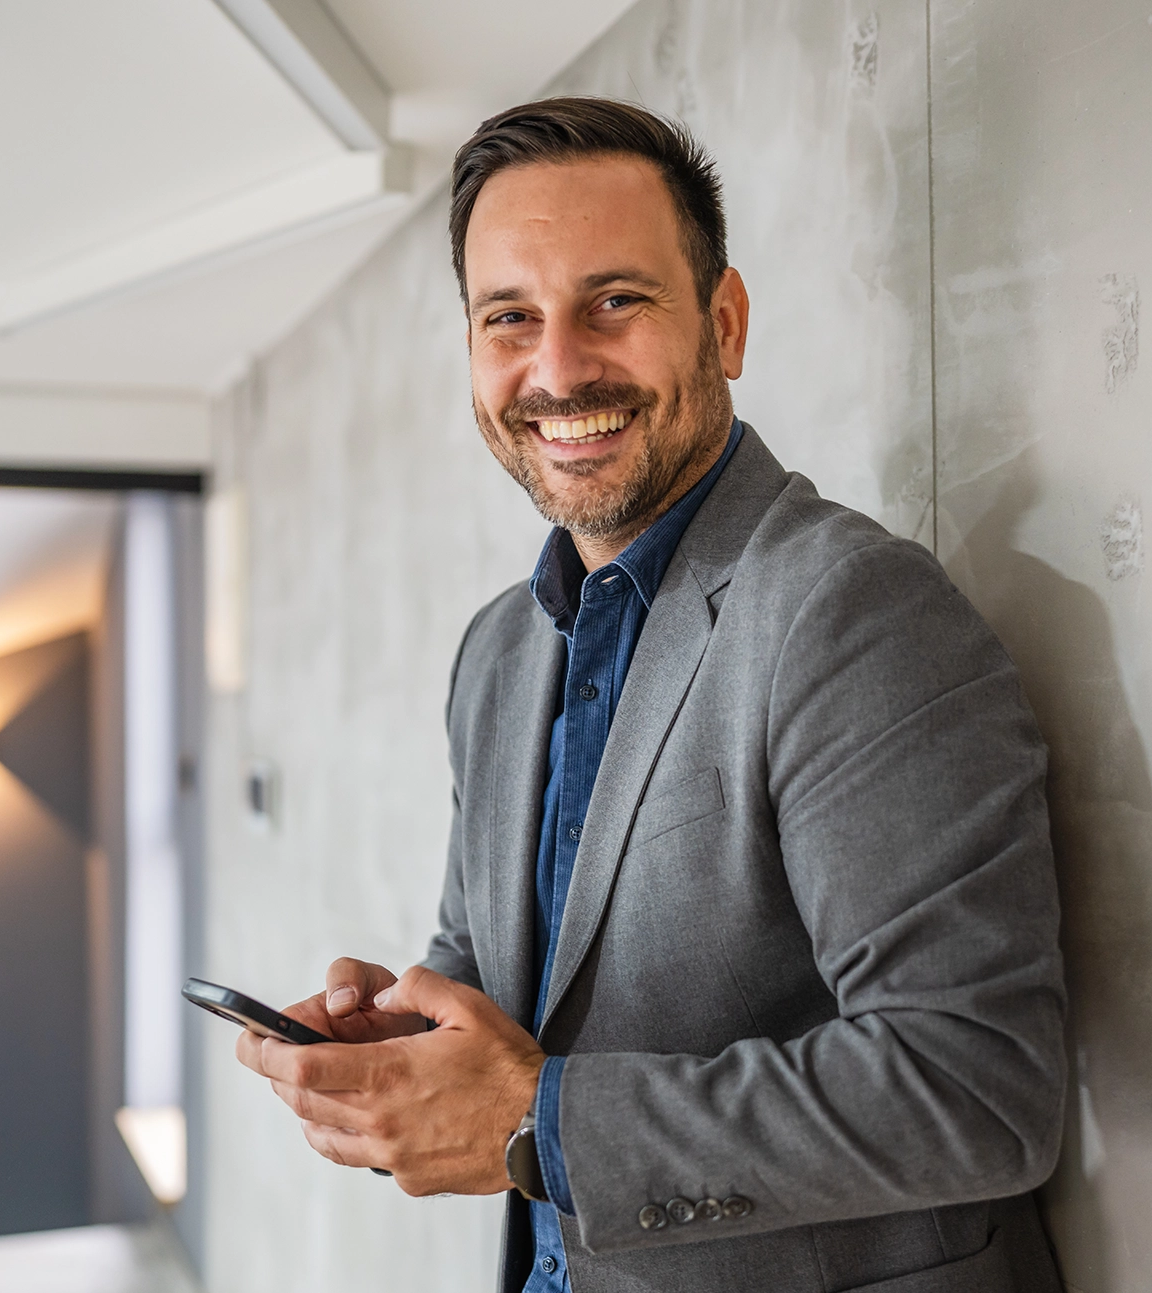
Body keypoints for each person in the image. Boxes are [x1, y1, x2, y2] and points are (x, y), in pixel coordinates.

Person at [237, 96, 1067, 1293]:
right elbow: (495, 971)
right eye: (508, 318)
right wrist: (408, 1050)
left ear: (721, 324)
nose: (557, 367)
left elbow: (978, 1086)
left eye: (614, 302)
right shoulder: (497, 651)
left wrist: (538, 1125)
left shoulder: (850, 611)